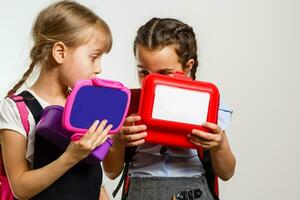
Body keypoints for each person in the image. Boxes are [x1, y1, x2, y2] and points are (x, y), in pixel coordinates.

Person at [103, 17, 236, 200]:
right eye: (144, 72)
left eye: (164, 73)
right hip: (141, 189)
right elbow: (111, 172)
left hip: (193, 191)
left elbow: (227, 173)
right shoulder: (127, 104)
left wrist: (218, 144)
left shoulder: (206, 105)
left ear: (188, 67)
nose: (152, 81)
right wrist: (118, 141)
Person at [0, 1, 114, 199]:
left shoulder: (87, 107)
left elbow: (97, 185)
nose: (98, 68)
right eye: (93, 57)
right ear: (60, 52)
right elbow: (20, 188)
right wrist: (70, 157)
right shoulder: (17, 109)